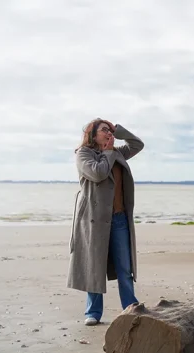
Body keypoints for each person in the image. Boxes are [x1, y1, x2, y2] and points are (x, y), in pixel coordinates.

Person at [67, 118, 144, 326]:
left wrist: (119, 130)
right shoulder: (83, 154)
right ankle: (93, 312)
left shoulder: (118, 152)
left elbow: (138, 144)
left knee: (124, 268)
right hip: (94, 221)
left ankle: (131, 307)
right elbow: (98, 173)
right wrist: (108, 153)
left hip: (119, 219)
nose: (108, 133)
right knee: (95, 267)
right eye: (104, 130)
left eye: (110, 130)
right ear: (93, 135)